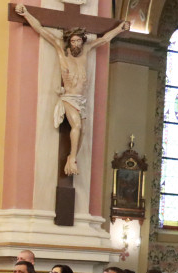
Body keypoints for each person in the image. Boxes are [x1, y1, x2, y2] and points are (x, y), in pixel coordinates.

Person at [14, 4, 128, 175]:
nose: (76, 44)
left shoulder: (86, 50)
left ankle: (72, 157)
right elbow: (42, 30)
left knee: (82, 130)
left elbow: (104, 39)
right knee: (77, 126)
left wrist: (119, 28)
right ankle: (72, 157)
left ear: (82, 40)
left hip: (81, 99)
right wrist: (26, 14)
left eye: (78, 40)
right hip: (69, 97)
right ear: (69, 41)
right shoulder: (62, 50)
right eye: (73, 41)